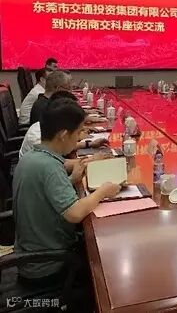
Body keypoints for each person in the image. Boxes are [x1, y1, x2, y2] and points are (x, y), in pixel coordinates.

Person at [13, 98, 120, 284]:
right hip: (47, 265)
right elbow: (75, 213)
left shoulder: (35, 156)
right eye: (78, 133)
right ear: (63, 135)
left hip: (31, 255)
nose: (79, 138)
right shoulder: (49, 167)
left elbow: (48, 190)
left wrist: (73, 178)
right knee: (108, 261)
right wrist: (103, 191)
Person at [20, 91, 109, 158]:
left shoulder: (49, 130)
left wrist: (89, 144)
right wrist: (91, 160)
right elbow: (64, 165)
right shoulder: (39, 141)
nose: (79, 137)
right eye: (78, 133)